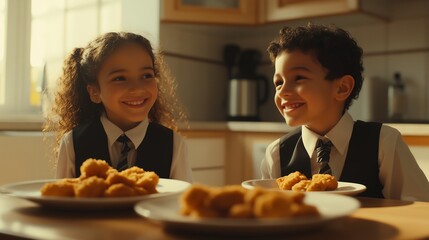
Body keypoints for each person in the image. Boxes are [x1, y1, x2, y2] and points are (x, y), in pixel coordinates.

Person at [261, 23, 429, 201]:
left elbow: (420, 210)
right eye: (278, 82)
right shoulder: (277, 154)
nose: (282, 91)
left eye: (299, 78)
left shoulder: (384, 143)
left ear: (342, 88)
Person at [44, 32, 192, 182]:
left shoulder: (174, 145)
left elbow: (182, 202)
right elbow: (62, 200)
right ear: (94, 92)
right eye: (120, 78)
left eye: (146, 75)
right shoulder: (72, 143)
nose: (137, 88)